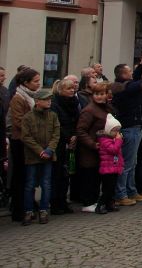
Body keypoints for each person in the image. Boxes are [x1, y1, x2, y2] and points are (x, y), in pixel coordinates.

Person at [109, 54, 142, 206]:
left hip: (136, 127)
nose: (132, 72)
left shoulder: (127, 85)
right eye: (129, 71)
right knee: (126, 164)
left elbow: (136, 79)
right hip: (129, 128)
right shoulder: (123, 88)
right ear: (123, 74)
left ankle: (131, 191)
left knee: (132, 163)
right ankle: (121, 194)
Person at [20, 87, 58, 225]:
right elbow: (26, 136)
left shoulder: (53, 116)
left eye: (49, 99)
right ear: (37, 101)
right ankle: (29, 211)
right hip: (32, 156)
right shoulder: (28, 117)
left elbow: (56, 134)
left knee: (46, 184)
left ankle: (43, 210)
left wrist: (49, 149)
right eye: (45, 99)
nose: (49, 102)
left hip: (48, 155)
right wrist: (39, 151)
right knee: (30, 184)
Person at [8, 67, 41, 223]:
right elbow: (18, 121)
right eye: (35, 81)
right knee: (20, 175)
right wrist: (36, 128)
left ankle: (29, 205)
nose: (38, 84)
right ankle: (18, 209)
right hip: (20, 141)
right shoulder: (18, 98)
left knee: (30, 176)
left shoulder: (32, 96)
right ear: (26, 83)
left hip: (31, 141)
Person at [75, 81, 113, 213]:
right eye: (96, 94)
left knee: (97, 177)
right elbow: (81, 130)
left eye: (102, 94)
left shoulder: (106, 108)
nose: (99, 96)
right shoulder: (89, 110)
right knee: (90, 177)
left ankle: (97, 200)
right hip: (90, 150)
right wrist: (92, 144)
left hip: (103, 148)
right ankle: (88, 202)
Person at [50, 78, 81, 214]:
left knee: (66, 173)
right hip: (59, 142)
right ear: (61, 90)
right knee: (57, 173)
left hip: (71, 140)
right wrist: (68, 137)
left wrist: (74, 136)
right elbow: (57, 124)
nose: (72, 90)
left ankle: (63, 201)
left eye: (73, 88)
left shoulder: (74, 103)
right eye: (68, 88)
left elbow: (76, 121)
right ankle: (55, 202)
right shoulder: (55, 104)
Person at [96, 114, 123, 214]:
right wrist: (118, 140)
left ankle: (110, 204)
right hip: (107, 168)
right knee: (107, 189)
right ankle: (100, 205)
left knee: (112, 188)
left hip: (114, 167)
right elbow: (113, 150)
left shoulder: (113, 139)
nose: (117, 133)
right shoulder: (104, 140)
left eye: (118, 131)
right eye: (114, 131)